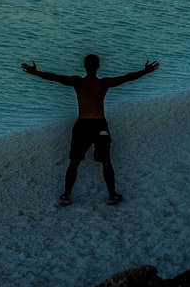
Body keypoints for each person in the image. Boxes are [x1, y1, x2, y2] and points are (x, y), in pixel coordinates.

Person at [21, 54, 159, 206]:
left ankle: (66, 195)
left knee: (74, 161)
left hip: (82, 126)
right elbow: (126, 78)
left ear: (84, 66)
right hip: (100, 126)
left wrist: (35, 72)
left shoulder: (77, 81)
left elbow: (55, 77)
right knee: (106, 161)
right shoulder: (104, 83)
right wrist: (145, 71)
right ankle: (112, 194)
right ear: (98, 66)